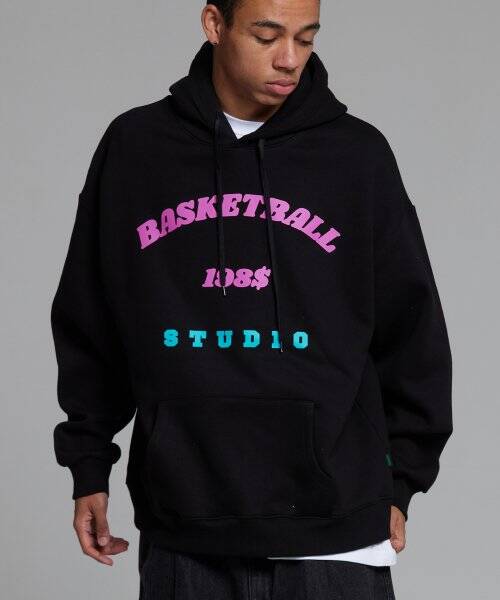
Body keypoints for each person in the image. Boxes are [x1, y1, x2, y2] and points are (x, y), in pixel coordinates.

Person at [50, 1, 453, 598]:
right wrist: (88, 464)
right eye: (267, 36)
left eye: (306, 39)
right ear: (215, 24)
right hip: (187, 526)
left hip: (333, 529)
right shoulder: (137, 148)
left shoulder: (356, 155)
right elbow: (91, 317)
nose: (289, 59)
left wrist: (402, 481)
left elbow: (412, 329)